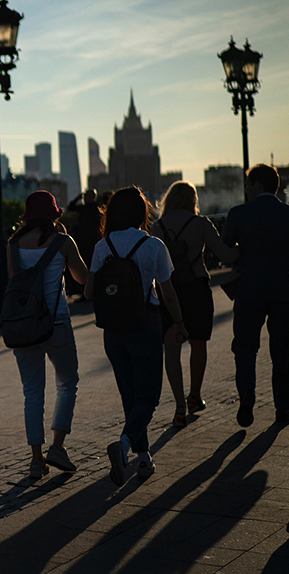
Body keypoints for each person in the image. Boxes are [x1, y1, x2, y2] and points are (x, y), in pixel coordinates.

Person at [84, 187, 186, 485]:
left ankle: (143, 459)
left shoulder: (103, 247)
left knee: (130, 396)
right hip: (145, 325)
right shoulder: (153, 245)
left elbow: (89, 291)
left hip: (113, 332)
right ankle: (125, 446)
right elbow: (167, 293)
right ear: (143, 213)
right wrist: (179, 322)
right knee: (149, 396)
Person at [7, 191, 89, 480]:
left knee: (32, 393)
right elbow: (82, 278)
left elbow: (14, 283)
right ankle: (57, 447)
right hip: (56, 322)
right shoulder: (63, 242)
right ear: (54, 215)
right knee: (67, 383)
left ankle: (35, 460)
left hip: (24, 324)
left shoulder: (14, 244)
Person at [222, 164, 289, 427]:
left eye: (248, 185)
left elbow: (225, 250)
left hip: (249, 289)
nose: (245, 190)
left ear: (257, 185)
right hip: (285, 291)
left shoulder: (238, 213)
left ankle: (247, 392)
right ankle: (283, 407)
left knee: (245, 347)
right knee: (282, 348)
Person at [151, 181, 240, 427]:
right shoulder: (200, 224)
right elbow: (226, 256)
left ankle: (179, 405)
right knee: (198, 343)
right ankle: (194, 397)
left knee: (171, 347)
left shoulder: (156, 227)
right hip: (197, 289)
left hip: (168, 290)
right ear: (193, 200)